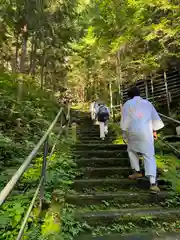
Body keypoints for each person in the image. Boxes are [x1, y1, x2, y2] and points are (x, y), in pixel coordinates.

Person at [120, 87, 164, 193]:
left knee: (131, 150)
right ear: (139, 94)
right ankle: (153, 183)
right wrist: (154, 131)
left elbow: (125, 121)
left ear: (129, 95)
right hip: (146, 132)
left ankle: (137, 171)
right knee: (149, 155)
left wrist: (124, 134)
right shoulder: (147, 103)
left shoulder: (127, 104)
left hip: (133, 132)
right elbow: (154, 118)